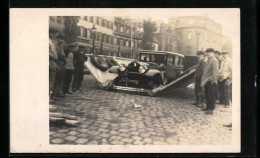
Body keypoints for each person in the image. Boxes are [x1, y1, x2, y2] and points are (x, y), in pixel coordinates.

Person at [201, 48, 219, 114]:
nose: (208, 54)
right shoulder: (208, 59)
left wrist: (213, 80)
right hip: (206, 80)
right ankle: (207, 107)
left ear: (213, 53)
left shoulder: (214, 60)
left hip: (210, 80)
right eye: (207, 52)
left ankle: (211, 109)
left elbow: (215, 71)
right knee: (207, 94)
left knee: (211, 95)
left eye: (209, 52)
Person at [52, 32, 67, 99]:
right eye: (60, 39)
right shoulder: (56, 46)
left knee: (61, 79)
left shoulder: (62, 46)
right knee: (56, 79)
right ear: (57, 39)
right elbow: (60, 55)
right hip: (58, 63)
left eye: (62, 39)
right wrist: (64, 59)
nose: (61, 40)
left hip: (62, 64)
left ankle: (59, 92)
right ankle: (53, 94)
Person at [49, 30, 59, 103]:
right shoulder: (48, 42)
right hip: (49, 61)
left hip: (54, 62)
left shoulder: (53, 42)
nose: (53, 35)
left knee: (52, 81)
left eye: (54, 33)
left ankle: (49, 97)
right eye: (52, 33)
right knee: (49, 82)